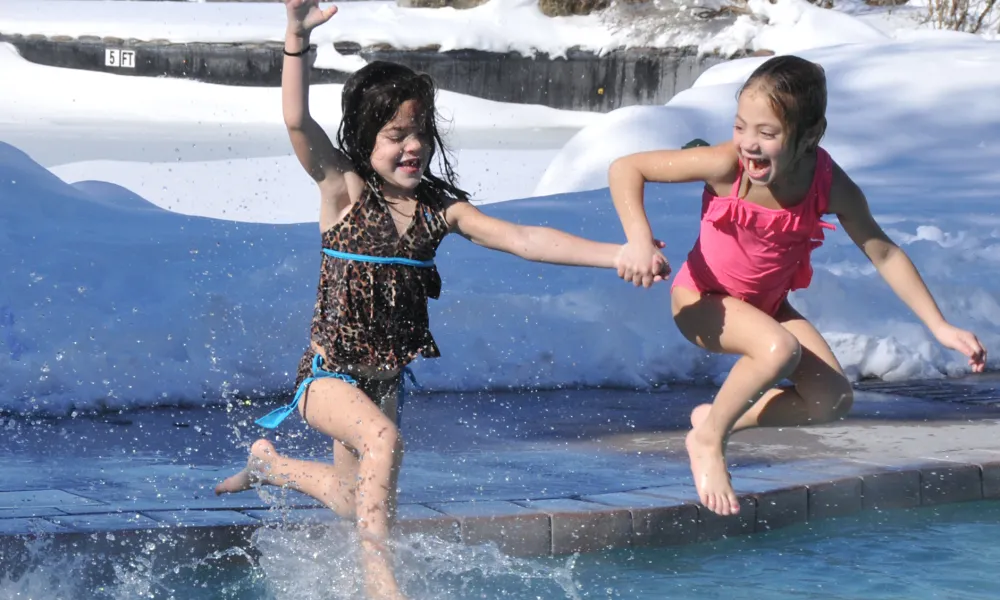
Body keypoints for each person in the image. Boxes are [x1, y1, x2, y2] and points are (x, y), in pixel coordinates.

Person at [214, 1, 663, 597]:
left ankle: (271, 467)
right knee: (382, 441)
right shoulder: (344, 190)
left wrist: (617, 254)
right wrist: (295, 39)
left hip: (383, 381)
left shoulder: (438, 210)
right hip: (325, 377)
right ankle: (382, 585)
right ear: (364, 136)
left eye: (420, 133)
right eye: (396, 134)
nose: (412, 147)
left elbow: (525, 239)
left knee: (354, 501)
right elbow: (298, 123)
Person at [608, 55, 988, 517]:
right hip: (700, 300)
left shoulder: (828, 184)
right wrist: (639, 240)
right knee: (778, 349)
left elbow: (883, 251)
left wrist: (940, 325)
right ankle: (708, 441)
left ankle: (716, 420)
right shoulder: (725, 165)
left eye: (767, 134)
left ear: (810, 136)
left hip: (767, 308)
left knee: (832, 399)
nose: (749, 144)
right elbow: (627, 168)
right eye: (741, 126)